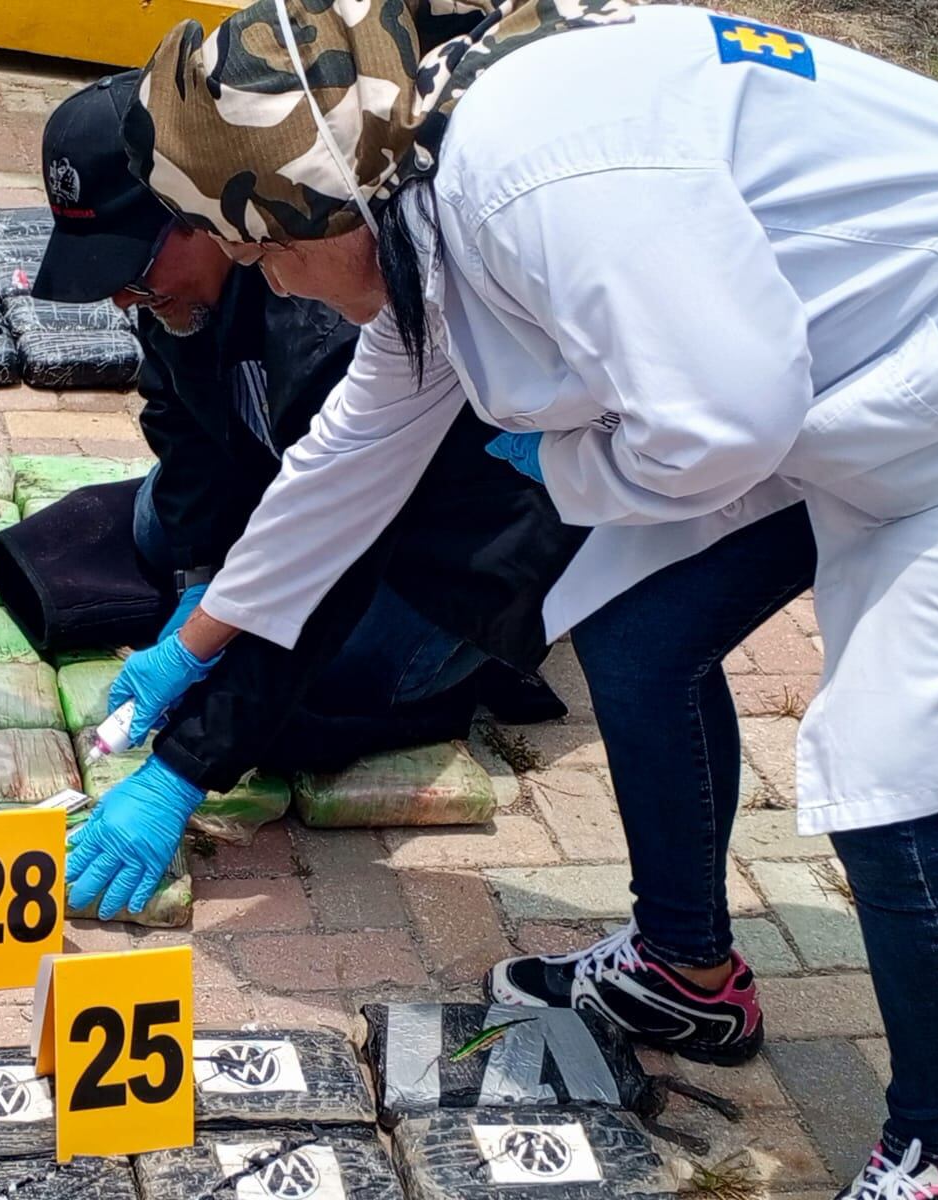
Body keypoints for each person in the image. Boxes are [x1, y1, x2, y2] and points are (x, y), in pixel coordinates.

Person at [69, 1, 938, 1195]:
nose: (274, 283)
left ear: (315, 208)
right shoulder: (414, 182)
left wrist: (561, 463)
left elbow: (723, 427)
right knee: (639, 635)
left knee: (892, 778)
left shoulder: (527, 181)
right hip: (840, 370)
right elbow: (350, 457)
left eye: (265, 255)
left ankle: (936, 1154)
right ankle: (686, 971)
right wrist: (196, 644)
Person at [37, 70, 585, 898]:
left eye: (136, 271)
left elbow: (342, 544)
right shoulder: (178, 287)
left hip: (451, 538)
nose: (126, 297)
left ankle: (485, 656)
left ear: (205, 217)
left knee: (329, 680)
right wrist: (205, 586)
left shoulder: (330, 302)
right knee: (159, 531)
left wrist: (182, 770)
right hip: (333, 491)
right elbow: (179, 421)